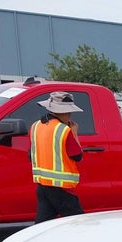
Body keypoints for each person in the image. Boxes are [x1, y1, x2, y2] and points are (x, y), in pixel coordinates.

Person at [29, 91, 84, 223]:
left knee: (42, 225)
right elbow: (77, 156)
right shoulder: (64, 130)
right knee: (78, 224)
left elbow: (30, 155)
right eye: (69, 112)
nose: (70, 115)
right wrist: (74, 133)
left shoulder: (35, 126)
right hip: (61, 188)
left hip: (42, 186)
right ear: (63, 112)